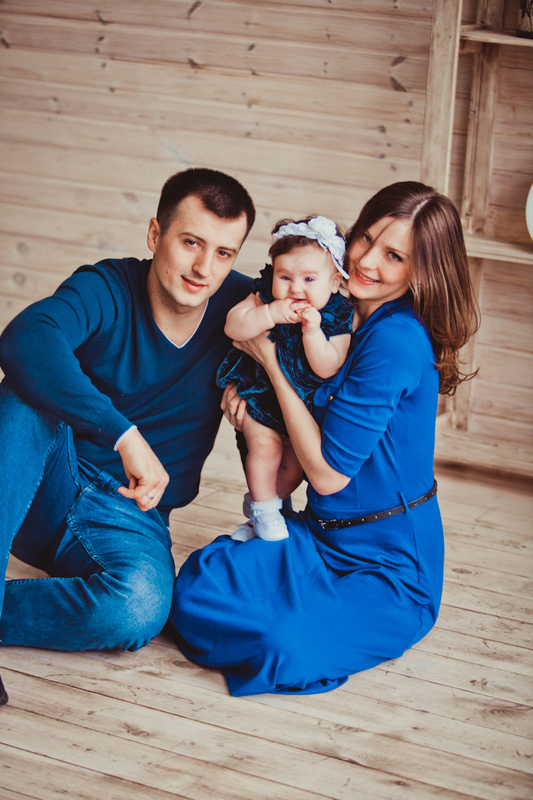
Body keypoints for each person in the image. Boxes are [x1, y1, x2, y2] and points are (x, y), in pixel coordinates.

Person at [168, 181, 479, 697]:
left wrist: (269, 362)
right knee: (197, 587)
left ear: (421, 271)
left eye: (394, 256)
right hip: (320, 534)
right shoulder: (333, 304)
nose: (367, 261)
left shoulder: (396, 340)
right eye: (367, 239)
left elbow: (329, 475)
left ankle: (310, 620)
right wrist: (246, 398)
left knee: (283, 646)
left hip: (387, 564)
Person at [0, 167, 255, 706]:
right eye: (191, 242)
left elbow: (319, 324)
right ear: (155, 234)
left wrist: (262, 381)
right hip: (44, 483)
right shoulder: (107, 286)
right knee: (26, 387)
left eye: (224, 253)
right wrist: (123, 434)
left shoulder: (243, 312)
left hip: (132, 516)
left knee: (139, 606)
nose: (204, 269)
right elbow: (25, 337)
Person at [217, 216, 353, 542]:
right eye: (285, 276)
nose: (295, 288)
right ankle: (265, 511)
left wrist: (312, 332)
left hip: (301, 412)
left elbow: (328, 366)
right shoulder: (266, 297)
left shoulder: (337, 315)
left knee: (294, 469)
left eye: (309, 278)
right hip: (261, 394)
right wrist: (269, 314)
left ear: (334, 282)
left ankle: (259, 509)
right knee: (265, 447)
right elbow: (233, 326)